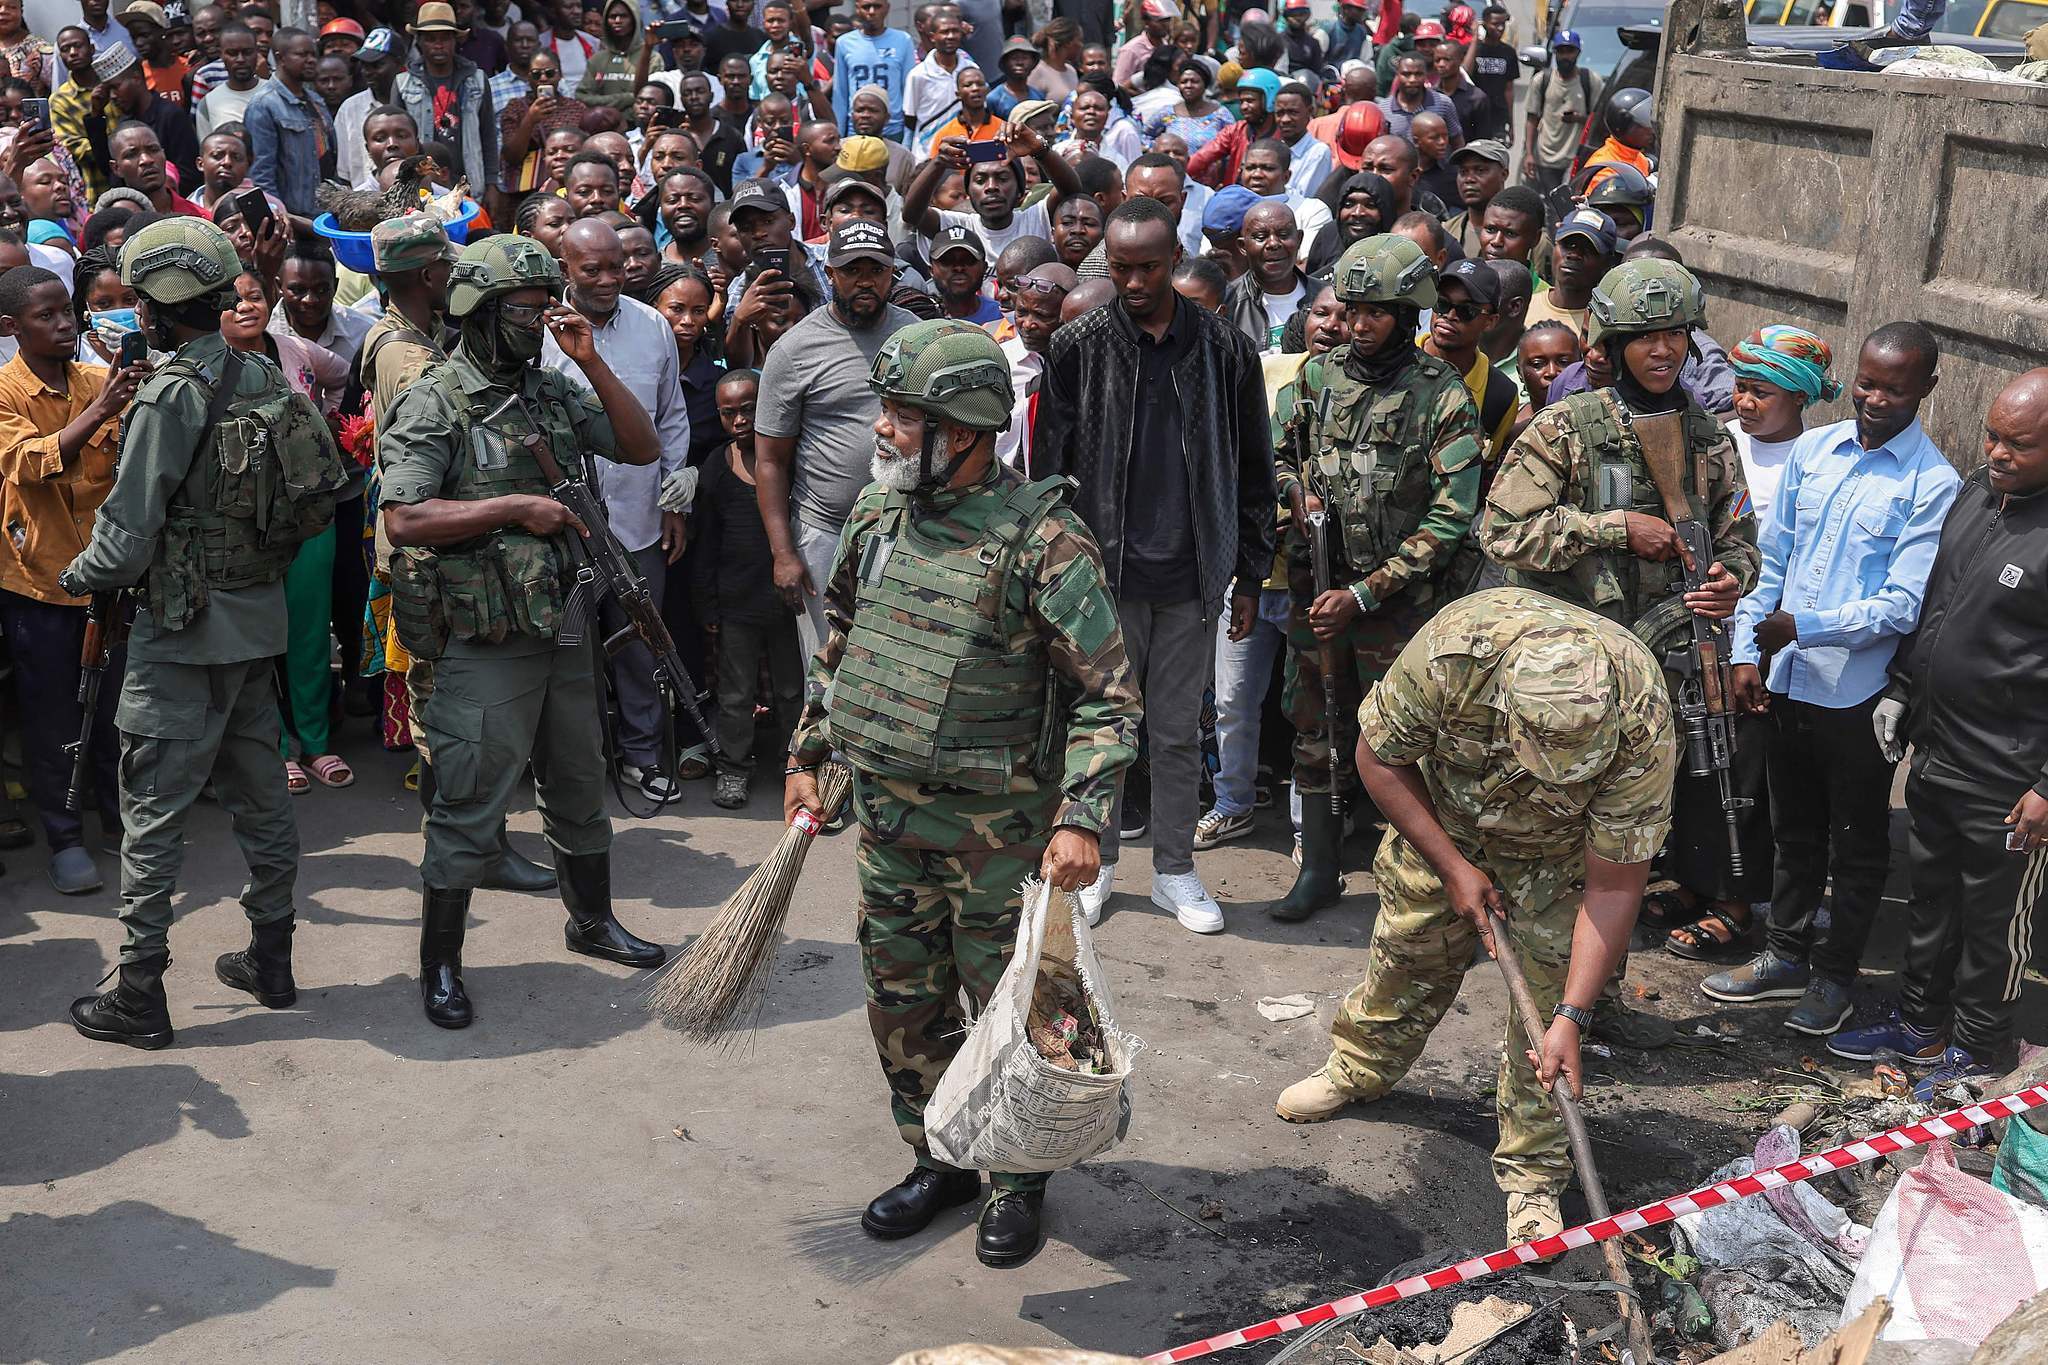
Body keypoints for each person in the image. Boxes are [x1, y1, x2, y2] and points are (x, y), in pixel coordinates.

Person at [785, 316, 1140, 1271]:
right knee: (903, 1006)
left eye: (905, 415)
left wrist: (1081, 820)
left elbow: (1109, 696)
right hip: (891, 829)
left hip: (1002, 842)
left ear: (969, 429)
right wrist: (808, 752)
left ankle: (1014, 1182)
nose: (884, 432)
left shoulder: (1045, 539)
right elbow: (842, 646)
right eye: (886, 412)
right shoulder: (875, 516)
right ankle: (936, 1154)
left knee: (1011, 1016)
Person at [1274, 587, 1677, 1245]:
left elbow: (1613, 886)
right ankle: (1358, 1068)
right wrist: (1454, 866)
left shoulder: (1643, 718)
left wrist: (1574, 1015)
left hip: (1559, 851)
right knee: (1408, 952)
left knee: (1547, 1017)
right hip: (1444, 819)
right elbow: (1377, 758)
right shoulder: (1454, 650)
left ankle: (1534, 1174)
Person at [61, 218, 348, 1049]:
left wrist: (72, 580)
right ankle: (272, 959)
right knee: (263, 803)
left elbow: (125, 534)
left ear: (153, 311)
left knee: (151, 813)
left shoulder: (168, 394)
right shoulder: (260, 372)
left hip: (179, 634)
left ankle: (141, 993)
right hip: (255, 622)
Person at [377, 235, 670, 1030]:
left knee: (579, 778)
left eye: (547, 306)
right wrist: (514, 507)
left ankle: (593, 920)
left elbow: (641, 449)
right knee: (470, 799)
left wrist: (592, 362)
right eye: (526, 310)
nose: (541, 321)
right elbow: (404, 516)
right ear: (477, 311)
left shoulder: (552, 390)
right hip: (483, 639)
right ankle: (441, 964)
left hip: (562, 626)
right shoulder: (435, 398)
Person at [1480, 259, 1766, 1017]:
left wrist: (1727, 578)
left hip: (1664, 674)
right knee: (1560, 842)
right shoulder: (1567, 428)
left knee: (1629, 845)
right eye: (1644, 337)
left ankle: (1594, 1001)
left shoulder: (1709, 437)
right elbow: (1503, 530)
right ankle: (1546, 1009)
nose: (1662, 351)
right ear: (1611, 343)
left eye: (1675, 334)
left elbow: (1742, 541)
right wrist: (1611, 528)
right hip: (1574, 673)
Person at [1705, 323, 1961, 1035]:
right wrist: (1748, 652)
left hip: (1859, 694)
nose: (1876, 399)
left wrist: (1804, 627)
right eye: (1867, 383)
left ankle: (1836, 975)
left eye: (1896, 388)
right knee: (1794, 830)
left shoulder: (1931, 484)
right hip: (1785, 677)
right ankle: (1784, 954)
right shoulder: (1816, 450)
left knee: (1857, 844)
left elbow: (1902, 604)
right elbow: (1770, 558)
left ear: (1927, 390)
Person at [1032, 197, 1274, 933]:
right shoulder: (1077, 346)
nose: (1134, 282)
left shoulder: (1225, 349)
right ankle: (1098, 863)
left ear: (1174, 260)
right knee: (1098, 730)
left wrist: (1251, 572)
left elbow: (1254, 466)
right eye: (1121, 267)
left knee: (1172, 731)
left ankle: (1174, 869)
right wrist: (1053, 572)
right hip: (1101, 579)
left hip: (1193, 575)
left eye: (1148, 267)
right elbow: (1050, 467)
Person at [1831, 369, 2048, 1092]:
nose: (1996, 451)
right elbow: (1937, 606)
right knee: (1930, 900)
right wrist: (1901, 688)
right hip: (1939, 753)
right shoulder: (1977, 494)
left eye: (2018, 443)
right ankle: (1920, 1027)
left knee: (1994, 926)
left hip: (2011, 778)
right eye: (1992, 433)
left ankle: (1981, 1055)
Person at [1266, 234, 1483, 921]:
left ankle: (1414, 880)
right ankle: (1321, 868)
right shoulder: (1314, 377)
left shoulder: (1440, 394)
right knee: (1315, 730)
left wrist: (1366, 591)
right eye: (1352, 310)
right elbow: (1274, 458)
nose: (1358, 324)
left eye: (1377, 312)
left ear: (1409, 313)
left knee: (1408, 740)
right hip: (1317, 588)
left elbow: (1452, 517)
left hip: (1402, 605)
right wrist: (1294, 497)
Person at [538, 218, 692, 801]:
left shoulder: (652, 324)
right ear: (565, 270)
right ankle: (570, 770)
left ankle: (643, 758)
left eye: (617, 267)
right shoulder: (540, 332)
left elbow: (671, 415)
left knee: (639, 644)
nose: (608, 280)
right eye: (591, 270)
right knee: (565, 652)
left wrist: (675, 496)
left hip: (638, 517)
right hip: (561, 524)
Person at [0, 264, 135, 895]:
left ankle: (117, 819)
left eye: (66, 312)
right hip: (42, 584)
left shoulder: (95, 378)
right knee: (54, 713)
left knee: (116, 708)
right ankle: (62, 834)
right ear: (11, 328)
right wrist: (106, 405)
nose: (63, 325)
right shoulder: (6, 391)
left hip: (109, 580)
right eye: (45, 316)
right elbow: (31, 465)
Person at [752, 219, 918, 664]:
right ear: (830, 273)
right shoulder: (794, 349)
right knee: (828, 670)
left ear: (892, 273)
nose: (865, 281)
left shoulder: (917, 337)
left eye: (876, 270)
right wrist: (783, 552)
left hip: (907, 530)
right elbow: (769, 460)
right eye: (852, 270)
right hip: (825, 533)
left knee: (898, 666)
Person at [689, 367, 796, 809]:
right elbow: (706, 541)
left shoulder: (793, 455)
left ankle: (797, 766)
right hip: (736, 600)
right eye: (728, 412)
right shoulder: (718, 464)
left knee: (794, 690)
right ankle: (733, 768)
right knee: (735, 692)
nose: (739, 421)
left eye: (748, 409)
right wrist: (707, 604)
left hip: (790, 601)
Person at [903, 125, 1079, 260]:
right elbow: (912, 215)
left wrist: (1040, 150)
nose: (991, 186)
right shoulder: (956, 226)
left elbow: (1071, 192)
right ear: (969, 193)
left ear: (1020, 191)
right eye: (980, 180)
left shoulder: (1036, 219)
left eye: (1002, 178)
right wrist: (938, 163)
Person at [1723, 325, 1836, 527]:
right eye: (1740, 388)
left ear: (1799, 396)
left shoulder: (1814, 463)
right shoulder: (1721, 439)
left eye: (1760, 393)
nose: (1744, 403)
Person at [393, 4, 498, 193]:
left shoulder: (477, 79)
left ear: (455, 40)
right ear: (419, 42)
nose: (438, 45)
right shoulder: (403, 83)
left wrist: (492, 184)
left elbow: (488, 135)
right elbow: (398, 141)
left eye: (445, 38)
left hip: (469, 181)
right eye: (431, 39)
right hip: (423, 185)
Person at [1422, 257, 1518, 463]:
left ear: (1490, 321)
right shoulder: (1398, 360)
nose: (1449, 315)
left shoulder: (1500, 395)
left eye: (1466, 311)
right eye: (1442, 303)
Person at [244, 27, 332, 220]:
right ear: (281, 58)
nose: (311, 60)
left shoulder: (316, 101)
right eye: (302, 54)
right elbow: (262, 172)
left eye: (313, 54)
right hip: (293, 218)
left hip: (324, 215)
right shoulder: (264, 105)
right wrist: (278, 218)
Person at [1521, 29, 1602, 205]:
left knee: (1570, 203)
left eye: (1570, 51)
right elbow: (1532, 118)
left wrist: (1580, 119)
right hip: (1546, 156)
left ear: (1578, 53)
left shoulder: (1591, 81)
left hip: (1575, 157)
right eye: (1561, 51)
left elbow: (1598, 120)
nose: (1565, 56)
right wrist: (1529, 154)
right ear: (1555, 53)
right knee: (1552, 204)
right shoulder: (1542, 80)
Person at [1222, 198, 1306, 353]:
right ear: (1243, 247)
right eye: (1261, 237)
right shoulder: (1227, 302)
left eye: (1284, 234)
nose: (1273, 244)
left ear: (1299, 239)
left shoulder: (1325, 297)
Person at [1525, 206, 1614, 340]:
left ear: (1607, 262)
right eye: (1568, 245)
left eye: (1588, 249)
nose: (1574, 255)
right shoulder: (1524, 308)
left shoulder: (1606, 325)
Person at [833, 0, 916, 138]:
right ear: (857, 9)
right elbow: (840, 92)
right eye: (866, 7)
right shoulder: (844, 43)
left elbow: (909, 90)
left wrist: (908, 136)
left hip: (893, 128)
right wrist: (840, 133)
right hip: (857, 129)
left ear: (887, 8)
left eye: (877, 6)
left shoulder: (903, 40)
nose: (872, 12)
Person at [1186, 65, 1275, 190]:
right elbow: (1202, 158)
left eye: (1250, 101)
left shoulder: (1284, 136)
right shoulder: (1235, 131)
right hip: (1236, 200)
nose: (1244, 106)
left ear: (1269, 100)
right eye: (1242, 101)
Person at [904, 8, 976, 156]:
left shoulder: (971, 69)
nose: (950, 36)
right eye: (944, 32)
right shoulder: (918, 75)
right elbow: (910, 119)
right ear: (932, 36)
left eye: (955, 31)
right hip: (927, 152)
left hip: (964, 151)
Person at [1443, 138, 1508, 259]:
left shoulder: (1526, 236)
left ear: (1503, 174)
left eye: (1480, 170)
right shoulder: (1447, 232)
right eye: (1463, 171)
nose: (1469, 179)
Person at [195, 20, 261, 137]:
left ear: (257, 52)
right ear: (221, 55)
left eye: (247, 52)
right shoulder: (208, 104)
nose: (240, 59)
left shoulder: (276, 93)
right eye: (232, 53)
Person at [1380, 53, 1462, 145]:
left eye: (1418, 74)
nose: (1412, 79)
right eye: (1406, 74)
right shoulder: (1383, 109)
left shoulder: (1444, 103)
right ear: (1397, 75)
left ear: (1426, 75)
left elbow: (1457, 141)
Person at [1466, 4, 1517, 143]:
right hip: (1474, 115)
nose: (1500, 28)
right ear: (1485, 24)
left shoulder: (1509, 53)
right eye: (1495, 24)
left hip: (1498, 117)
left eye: (1503, 24)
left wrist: (1511, 124)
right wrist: (1475, 39)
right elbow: (1465, 74)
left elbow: (1509, 89)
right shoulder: (1474, 51)